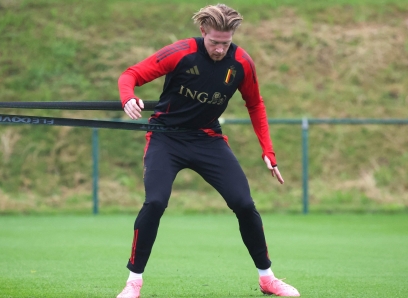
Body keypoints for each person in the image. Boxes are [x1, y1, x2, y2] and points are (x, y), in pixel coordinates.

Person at [115, 4, 300, 297]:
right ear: (203, 32)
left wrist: (268, 150)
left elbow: (255, 104)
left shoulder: (241, 63)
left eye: (225, 43)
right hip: (166, 138)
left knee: (244, 204)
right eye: (214, 42)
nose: (219, 49)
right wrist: (128, 98)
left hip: (208, 140)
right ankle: (133, 282)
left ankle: (267, 278)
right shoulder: (180, 52)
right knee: (155, 202)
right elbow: (130, 75)